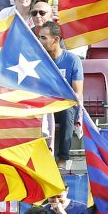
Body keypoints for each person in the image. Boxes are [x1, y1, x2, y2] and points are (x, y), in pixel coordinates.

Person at [38, 22, 83, 168]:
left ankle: (63, 157)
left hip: (65, 105)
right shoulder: (38, 60)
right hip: (44, 104)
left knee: (66, 111)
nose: (40, 42)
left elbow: (77, 93)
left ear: (56, 40)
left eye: (44, 38)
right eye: (39, 37)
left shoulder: (72, 60)